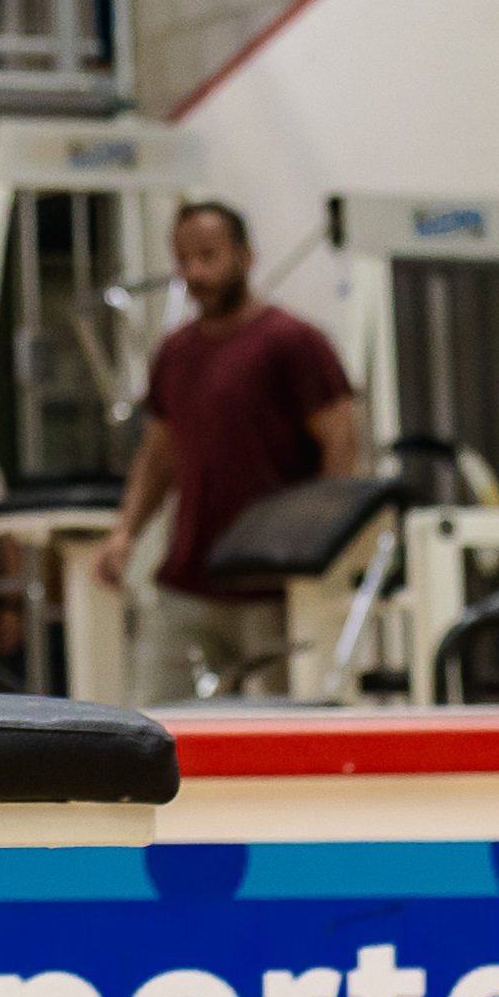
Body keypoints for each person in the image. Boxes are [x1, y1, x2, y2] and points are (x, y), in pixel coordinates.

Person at [91, 200, 365, 702]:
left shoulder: (293, 343)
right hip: (189, 579)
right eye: (186, 259)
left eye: (209, 256)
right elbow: (158, 455)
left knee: (295, 728)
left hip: (274, 587)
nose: (196, 272)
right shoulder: (175, 353)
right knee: (158, 723)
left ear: (246, 256)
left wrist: (321, 553)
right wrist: (126, 531)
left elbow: (341, 444)